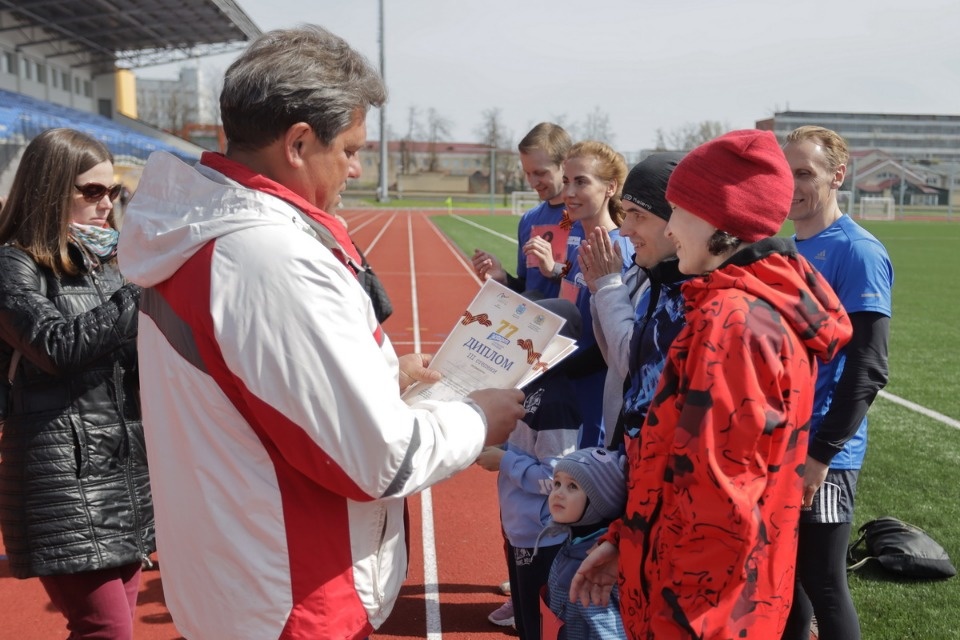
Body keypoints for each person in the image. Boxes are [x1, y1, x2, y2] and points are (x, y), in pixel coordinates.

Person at [116, 25, 525, 640]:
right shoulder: (269, 257)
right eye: (352, 149)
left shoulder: (201, 231)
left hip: (241, 575)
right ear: (300, 143)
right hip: (291, 594)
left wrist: (386, 376)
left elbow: (256, 387)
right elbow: (378, 459)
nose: (358, 169)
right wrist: (478, 418)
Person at [570, 130, 854, 639]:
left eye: (676, 211)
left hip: (702, 611)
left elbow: (720, 505)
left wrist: (675, 615)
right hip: (718, 597)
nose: (671, 229)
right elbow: (678, 464)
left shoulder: (732, 323)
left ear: (717, 221)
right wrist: (627, 539)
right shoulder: (736, 304)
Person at [0, 128, 153, 639]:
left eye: (114, 192)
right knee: (106, 630)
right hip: (60, 474)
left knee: (107, 628)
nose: (107, 203)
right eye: (92, 192)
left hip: (122, 469)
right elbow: (54, 346)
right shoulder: (14, 263)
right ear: (50, 189)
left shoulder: (108, 264)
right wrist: (141, 293)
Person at [781, 126, 894, 640]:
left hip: (823, 454)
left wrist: (821, 454)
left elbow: (868, 366)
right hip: (779, 442)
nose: (792, 183)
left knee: (823, 581)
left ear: (838, 176)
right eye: (787, 172)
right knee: (787, 583)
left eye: (805, 172)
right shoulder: (784, 249)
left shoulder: (858, 252)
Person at [476, 297, 583, 639]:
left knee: (538, 625)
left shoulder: (557, 402)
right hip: (519, 526)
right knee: (525, 621)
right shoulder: (526, 385)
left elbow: (557, 480)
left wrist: (503, 460)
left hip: (542, 538)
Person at [577, 152, 687, 448]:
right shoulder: (642, 272)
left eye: (639, 215)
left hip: (652, 457)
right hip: (624, 451)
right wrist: (599, 292)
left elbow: (632, 364)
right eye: (625, 214)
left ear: (675, 217)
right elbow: (612, 355)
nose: (625, 229)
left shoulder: (689, 291)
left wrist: (609, 287)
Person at [557, 140, 632, 448]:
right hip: (570, 393)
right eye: (565, 181)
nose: (569, 192)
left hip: (598, 401)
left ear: (610, 187)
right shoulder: (579, 242)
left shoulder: (619, 250)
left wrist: (555, 366)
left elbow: (621, 342)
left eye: (581, 182)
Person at [472, 122, 578, 298]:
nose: (532, 182)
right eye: (527, 173)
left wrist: (553, 270)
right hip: (535, 323)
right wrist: (504, 278)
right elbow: (526, 286)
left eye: (540, 173)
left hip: (572, 324)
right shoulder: (529, 219)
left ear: (565, 165)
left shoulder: (584, 218)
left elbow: (590, 284)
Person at [542, 447, 627, 639]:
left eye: (572, 486)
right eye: (556, 484)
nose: (558, 493)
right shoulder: (573, 543)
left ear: (602, 500)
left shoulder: (593, 564)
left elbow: (608, 634)